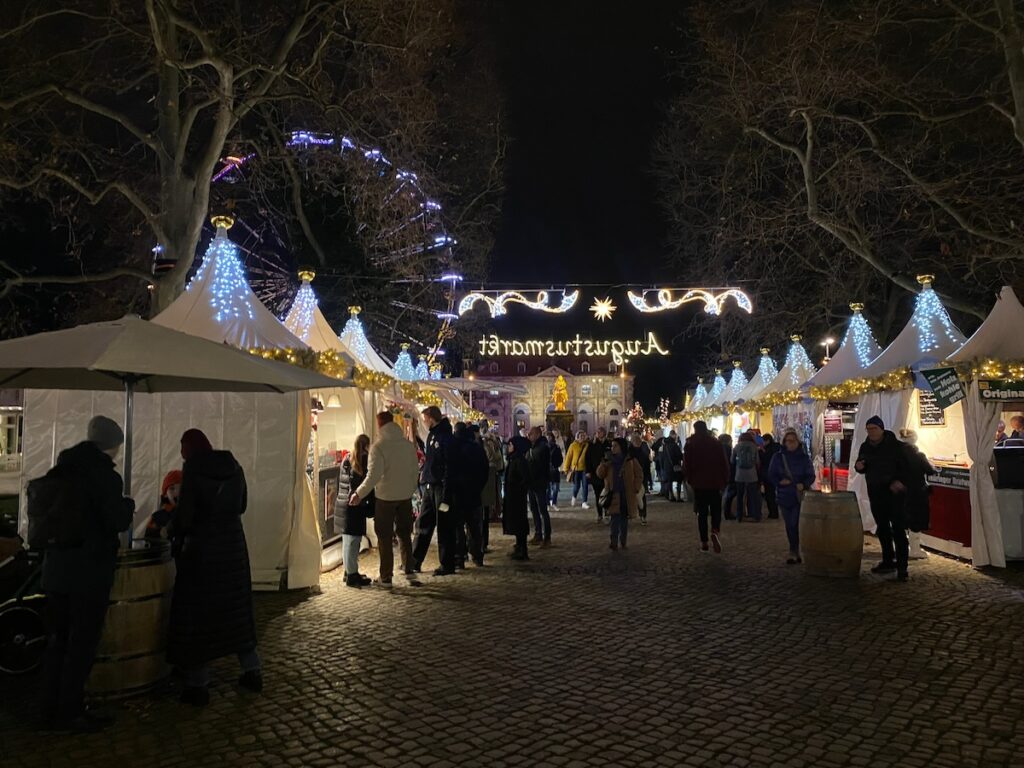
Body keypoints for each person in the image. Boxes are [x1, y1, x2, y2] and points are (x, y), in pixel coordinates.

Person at [39, 416, 135, 732]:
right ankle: (70, 711)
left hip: (55, 570)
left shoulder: (62, 470)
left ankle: (47, 707)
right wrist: (128, 505)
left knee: (57, 641)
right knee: (81, 644)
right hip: (88, 573)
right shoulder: (104, 477)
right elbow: (116, 521)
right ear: (113, 445)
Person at [168, 428, 261, 707]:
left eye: (182, 446)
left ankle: (198, 685)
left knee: (198, 618)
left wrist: (171, 529)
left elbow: (185, 517)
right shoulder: (234, 467)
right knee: (237, 613)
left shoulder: (193, 471)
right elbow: (242, 505)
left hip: (202, 551)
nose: (181, 452)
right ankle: (252, 671)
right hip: (233, 546)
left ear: (190, 448)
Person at [348, 412, 419, 585]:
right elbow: (414, 471)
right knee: (404, 533)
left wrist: (358, 493)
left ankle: (386, 575)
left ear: (379, 424)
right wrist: (410, 490)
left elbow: (373, 476)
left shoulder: (379, 447)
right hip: (404, 496)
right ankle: (408, 565)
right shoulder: (408, 445)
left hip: (385, 497)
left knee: (384, 536)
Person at [855, 416, 911, 581]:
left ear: (881, 429)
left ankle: (902, 567)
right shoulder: (866, 446)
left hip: (895, 496)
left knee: (899, 531)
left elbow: (907, 469)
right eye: (869, 429)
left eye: (874, 429)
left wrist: (899, 481)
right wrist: (859, 466)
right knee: (883, 529)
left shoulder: (897, 447)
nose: (871, 432)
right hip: (876, 493)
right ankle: (888, 560)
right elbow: (861, 465)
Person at [413, 406, 456, 576]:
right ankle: (415, 560)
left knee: (444, 525)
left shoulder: (444, 437)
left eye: (424, 419)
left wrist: (446, 492)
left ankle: (447, 563)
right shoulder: (433, 435)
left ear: (431, 418)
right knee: (423, 523)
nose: (423, 422)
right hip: (430, 486)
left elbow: (448, 465)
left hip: (441, 488)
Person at [768, 430, 816, 564]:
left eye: (793, 441)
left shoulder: (804, 458)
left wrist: (803, 484)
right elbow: (771, 474)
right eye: (788, 441)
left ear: (798, 442)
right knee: (789, 524)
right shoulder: (778, 457)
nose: (790, 444)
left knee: (795, 523)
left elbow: (811, 475)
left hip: (798, 496)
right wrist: (779, 482)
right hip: (784, 495)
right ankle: (793, 550)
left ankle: (796, 550)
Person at [683, 420, 730, 553]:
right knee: (716, 510)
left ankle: (704, 542)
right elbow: (723, 462)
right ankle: (715, 530)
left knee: (702, 513)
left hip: (699, 483)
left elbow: (687, 463)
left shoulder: (691, 443)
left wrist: (689, 479)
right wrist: (725, 479)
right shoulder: (715, 443)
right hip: (715, 482)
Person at [335, 435, 375, 588]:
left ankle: (349, 571)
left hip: (343, 504)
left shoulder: (347, 458)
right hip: (355, 505)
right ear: (366, 445)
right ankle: (352, 574)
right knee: (354, 541)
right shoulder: (363, 460)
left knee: (347, 541)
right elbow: (365, 484)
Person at [450, 422, 489, 567]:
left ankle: (460, 557)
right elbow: (485, 469)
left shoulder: (454, 448)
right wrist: (479, 486)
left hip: (458, 493)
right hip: (474, 492)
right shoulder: (477, 448)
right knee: (474, 526)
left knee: (458, 527)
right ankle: (477, 555)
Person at [599, 438, 644, 549]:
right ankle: (613, 541)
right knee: (614, 519)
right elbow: (600, 474)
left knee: (624, 518)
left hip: (626, 494)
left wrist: (636, 487)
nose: (613, 448)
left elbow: (639, 474)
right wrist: (604, 463)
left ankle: (623, 540)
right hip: (613, 493)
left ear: (621, 447)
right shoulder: (609, 460)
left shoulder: (630, 460)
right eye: (612, 446)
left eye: (615, 446)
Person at [898, 428, 936, 561]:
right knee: (917, 519)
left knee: (904, 519)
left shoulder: (897, 455)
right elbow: (930, 471)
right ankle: (915, 549)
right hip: (918, 492)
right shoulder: (918, 455)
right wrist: (932, 464)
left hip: (902, 492)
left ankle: (906, 547)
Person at [503, 437, 532, 560]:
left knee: (519, 523)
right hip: (512, 496)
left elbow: (525, 479)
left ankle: (522, 549)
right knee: (515, 522)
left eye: (510, 445)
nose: (508, 447)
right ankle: (519, 546)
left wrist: (518, 489)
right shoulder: (513, 459)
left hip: (517, 497)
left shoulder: (519, 460)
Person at [525, 426, 552, 546]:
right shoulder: (532, 447)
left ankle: (547, 537)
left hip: (539, 483)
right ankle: (538, 534)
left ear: (536, 434)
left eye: (530, 434)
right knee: (534, 510)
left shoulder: (543, 447)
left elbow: (542, 466)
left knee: (543, 510)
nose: (528, 436)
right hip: (531, 483)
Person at [732, 432, 763, 522]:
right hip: (752, 475)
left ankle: (739, 516)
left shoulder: (737, 446)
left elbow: (732, 460)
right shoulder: (754, 447)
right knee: (753, 496)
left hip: (739, 475)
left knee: (740, 496)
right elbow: (758, 461)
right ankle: (756, 515)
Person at [145, 469, 182, 540]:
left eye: (182, 488)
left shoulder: (194, 514)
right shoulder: (158, 517)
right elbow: (150, 541)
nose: (177, 492)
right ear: (165, 494)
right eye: (172, 488)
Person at [586, 427, 612, 521]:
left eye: (600, 432)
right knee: (598, 494)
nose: (598, 433)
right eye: (597, 432)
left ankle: (607, 512)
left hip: (607, 474)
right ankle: (600, 514)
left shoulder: (609, 444)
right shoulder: (592, 445)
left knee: (607, 493)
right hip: (595, 473)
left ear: (604, 433)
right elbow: (587, 459)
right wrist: (588, 471)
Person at [562, 430, 591, 508]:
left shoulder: (587, 445)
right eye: (581, 436)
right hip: (576, 469)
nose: (582, 437)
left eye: (583, 436)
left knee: (585, 486)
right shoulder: (573, 445)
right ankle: (574, 497)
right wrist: (566, 468)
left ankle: (584, 502)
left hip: (584, 469)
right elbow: (568, 457)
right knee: (576, 486)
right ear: (577, 437)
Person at [629, 435, 651, 525]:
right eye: (636, 442)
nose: (638, 443)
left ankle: (643, 515)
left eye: (639, 442)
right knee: (632, 497)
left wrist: (646, 478)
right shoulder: (629, 453)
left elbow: (646, 466)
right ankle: (635, 514)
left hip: (641, 478)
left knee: (641, 496)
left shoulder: (642, 452)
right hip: (631, 478)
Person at [760, 434, 781, 519]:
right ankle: (774, 512)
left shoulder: (767, 450)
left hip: (767, 474)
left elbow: (764, 460)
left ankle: (773, 513)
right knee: (772, 494)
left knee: (769, 494)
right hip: (776, 474)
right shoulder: (777, 448)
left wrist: (761, 452)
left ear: (767, 440)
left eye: (763, 441)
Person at [719, 433, 737, 519]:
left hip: (720, 474)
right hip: (728, 474)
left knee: (721, 494)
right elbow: (730, 462)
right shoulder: (728, 449)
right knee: (729, 494)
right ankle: (727, 513)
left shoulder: (718, 448)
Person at [547, 432, 564, 512]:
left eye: (550, 437)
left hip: (555, 470)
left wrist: (556, 465)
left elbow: (560, 458)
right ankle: (547, 504)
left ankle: (554, 503)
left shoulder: (556, 447)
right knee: (548, 489)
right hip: (546, 470)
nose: (548, 439)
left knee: (556, 488)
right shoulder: (544, 447)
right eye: (547, 437)